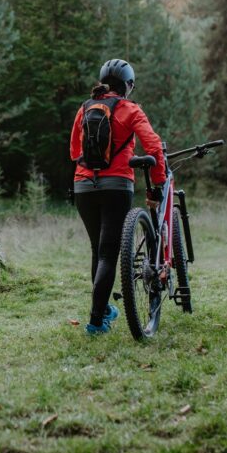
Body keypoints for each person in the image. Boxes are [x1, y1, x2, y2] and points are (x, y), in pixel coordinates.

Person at [70, 59, 168, 334]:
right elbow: (153, 147)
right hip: (117, 185)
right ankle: (96, 320)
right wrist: (157, 182)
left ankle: (103, 312)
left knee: (98, 250)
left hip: (83, 185)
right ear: (128, 86)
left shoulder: (84, 108)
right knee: (108, 253)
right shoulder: (130, 109)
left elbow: (73, 151)